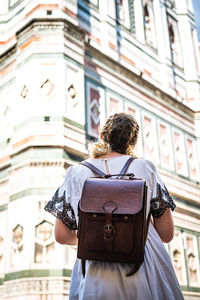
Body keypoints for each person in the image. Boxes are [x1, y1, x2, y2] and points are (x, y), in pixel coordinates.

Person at [45, 112, 184, 300]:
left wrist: (98, 235)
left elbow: (61, 236)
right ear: (132, 143)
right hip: (142, 266)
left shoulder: (75, 173)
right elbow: (166, 234)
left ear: (102, 137)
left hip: (94, 270)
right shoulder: (145, 168)